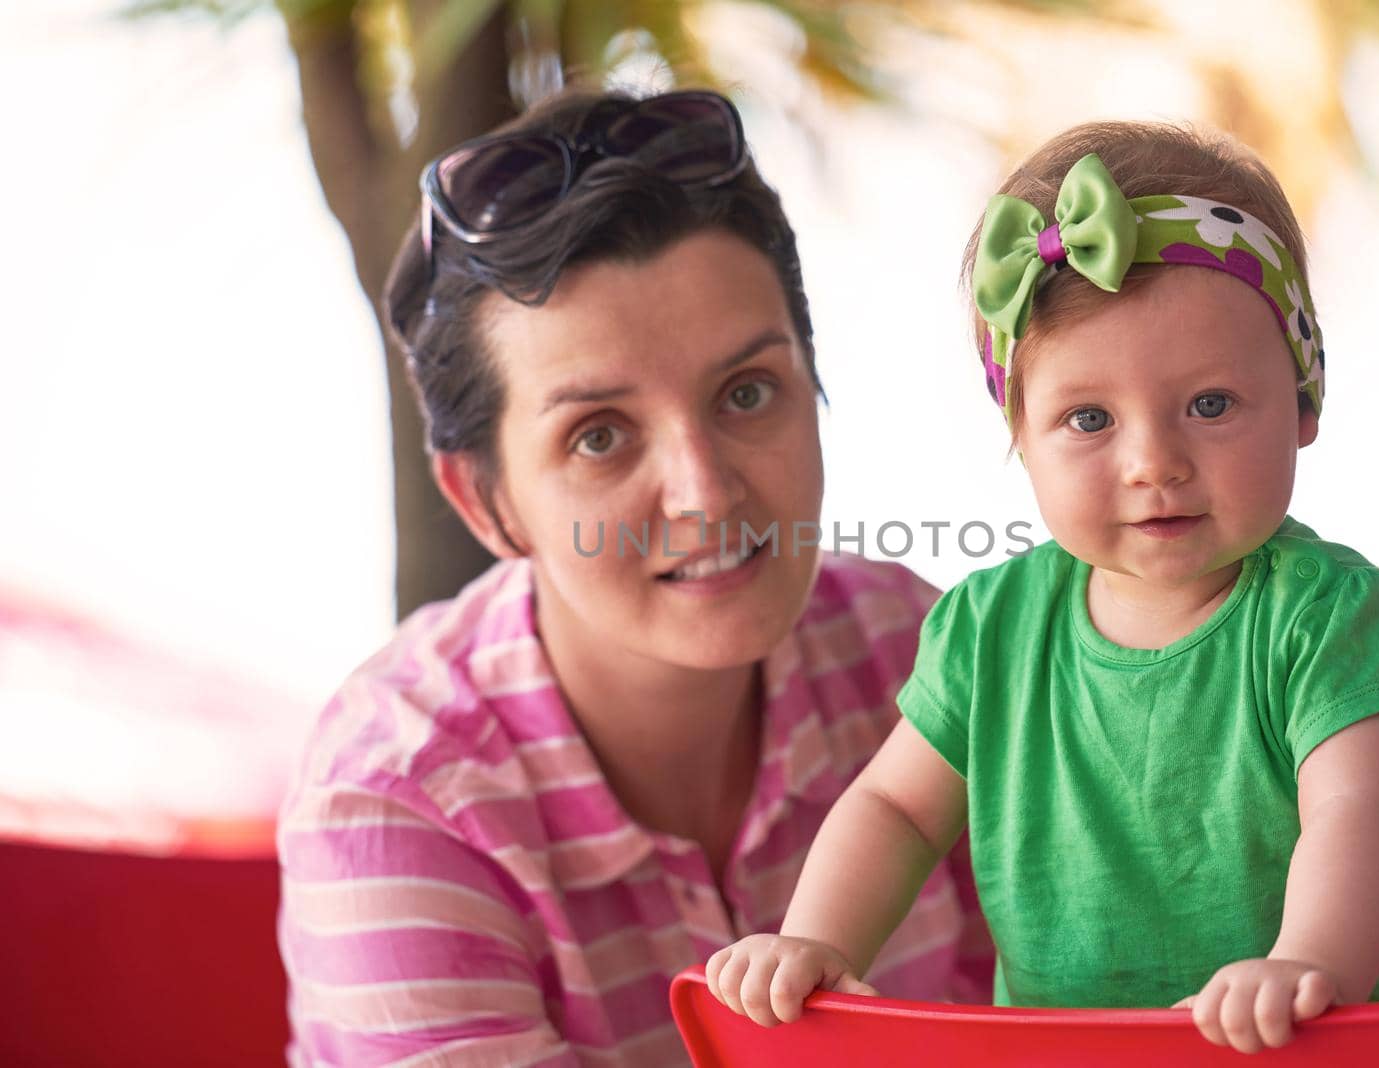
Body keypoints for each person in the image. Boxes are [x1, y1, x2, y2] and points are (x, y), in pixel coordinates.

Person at [275, 87, 993, 1067]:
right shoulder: (399, 802)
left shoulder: (916, 648)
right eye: (598, 436)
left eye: (747, 392)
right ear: (485, 502)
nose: (704, 493)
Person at [706, 120, 1379, 1054]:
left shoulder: (1330, 615)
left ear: (1304, 400)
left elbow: (1356, 813)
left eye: (1210, 404)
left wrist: (1306, 963)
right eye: (1089, 418)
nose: (1154, 462)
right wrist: (815, 938)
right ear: (1020, 436)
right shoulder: (991, 627)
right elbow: (895, 810)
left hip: (1320, 1044)